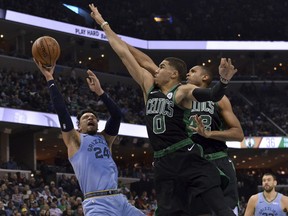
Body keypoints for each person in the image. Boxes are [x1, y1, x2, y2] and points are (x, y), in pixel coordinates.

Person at [89, 4, 237, 216]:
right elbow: (123, 53)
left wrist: (223, 81)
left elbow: (213, 95)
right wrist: (103, 24)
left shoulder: (183, 90)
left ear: (174, 73)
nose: (156, 69)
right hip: (162, 163)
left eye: (162, 67)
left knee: (219, 208)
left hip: (188, 156)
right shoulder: (148, 86)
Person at [33, 60, 145, 216]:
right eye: (86, 117)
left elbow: (117, 115)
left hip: (120, 201)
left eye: (93, 117)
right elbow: (62, 111)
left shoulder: (105, 139)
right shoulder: (75, 140)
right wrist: (49, 78)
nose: (90, 118)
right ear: (79, 126)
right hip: (97, 203)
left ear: (98, 124)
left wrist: (100, 92)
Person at [187, 65, 244, 216]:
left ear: (205, 77)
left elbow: (238, 134)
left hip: (218, 161)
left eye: (193, 71)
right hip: (192, 163)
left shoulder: (220, 99)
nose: (188, 74)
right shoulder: (180, 98)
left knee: (225, 211)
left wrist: (209, 134)